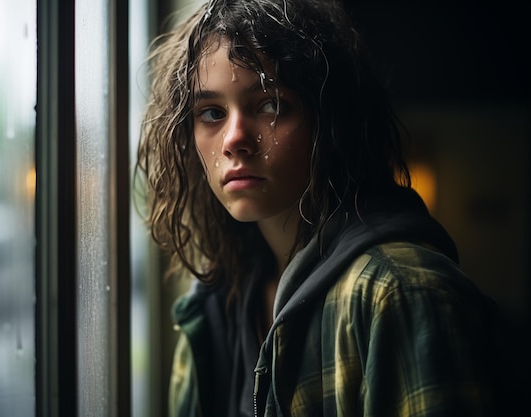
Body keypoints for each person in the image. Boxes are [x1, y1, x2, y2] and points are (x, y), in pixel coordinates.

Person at [134, 0, 517, 416]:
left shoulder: (402, 292)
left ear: (331, 122)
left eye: (270, 104)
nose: (233, 139)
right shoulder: (214, 305)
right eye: (211, 112)